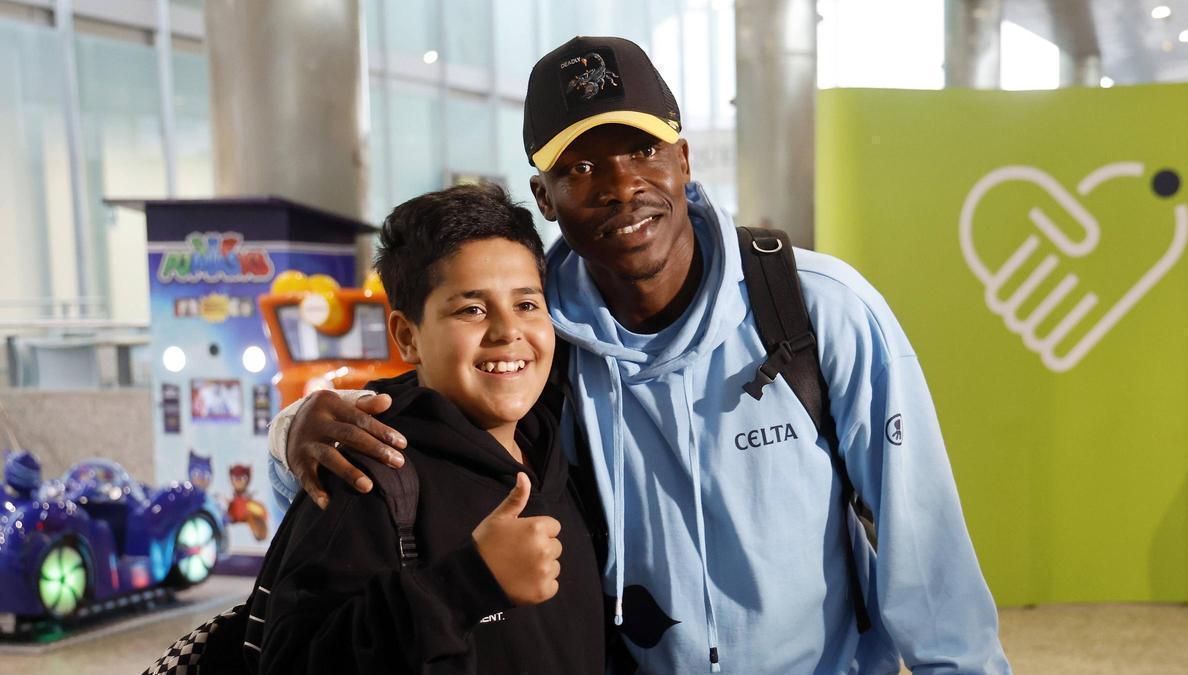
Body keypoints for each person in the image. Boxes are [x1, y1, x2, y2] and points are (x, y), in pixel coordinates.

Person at [269, 36, 1011, 674]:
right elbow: (428, 413)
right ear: (545, 197)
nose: (622, 186)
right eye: (580, 168)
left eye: (643, 150)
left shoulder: (815, 310)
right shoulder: (541, 340)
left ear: (684, 160)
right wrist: (291, 431)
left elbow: (927, 553)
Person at [252, 184, 603, 674]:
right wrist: (466, 584)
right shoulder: (372, 474)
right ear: (407, 336)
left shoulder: (561, 449)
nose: (508, 331)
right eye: (471, 309)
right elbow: (289, 663)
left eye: (526, 304)